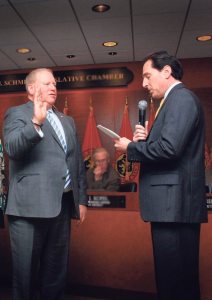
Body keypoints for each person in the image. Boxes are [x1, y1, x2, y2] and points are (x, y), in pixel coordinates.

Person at [114, 51, 208, 300]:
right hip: (172, 206)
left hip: (174, 206)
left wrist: (131, 148)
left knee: (174, 281)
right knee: (176, 279)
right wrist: (144, 142)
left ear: (166, 72)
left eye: (147, 76)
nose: (143, 83)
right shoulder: (175, 100)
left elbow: (170, 148)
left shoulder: (180, 99)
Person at [3, 68, 87, 300]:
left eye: (55, 84)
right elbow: (12, 148)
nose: (53, 87)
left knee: (56, 274)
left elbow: (76, 161)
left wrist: (80, 200)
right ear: (31, 89)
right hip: (28, 210)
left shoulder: (67, 120)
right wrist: (36, 124)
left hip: (62, 205)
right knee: (26, 276)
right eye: (47, 83)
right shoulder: (17, 114)